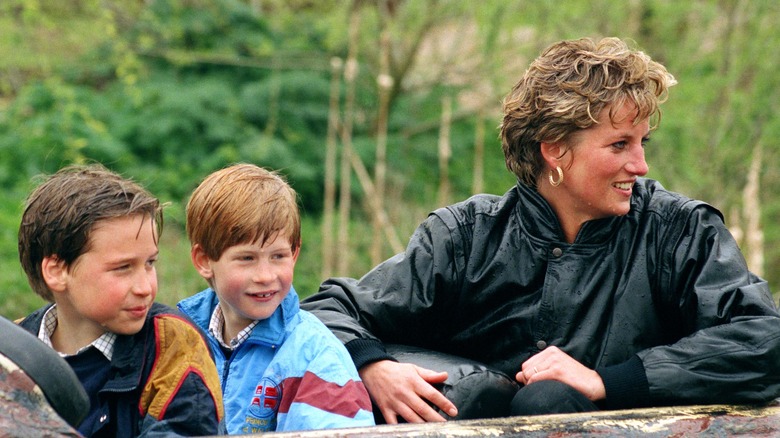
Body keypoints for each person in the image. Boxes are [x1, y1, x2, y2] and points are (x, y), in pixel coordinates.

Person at [301, 37, 780, 423]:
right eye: (619, 144)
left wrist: (609, 382)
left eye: (641, 142)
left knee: (546, 401)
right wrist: (372, 365)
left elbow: (763, 338)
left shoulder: (679, 231)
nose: (640, 164)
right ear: (555, 151)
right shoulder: (466, 236)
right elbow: (327, 309)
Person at [16, 164, 224, 437]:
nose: (145, 287)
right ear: (57, 271)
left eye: (150, 263)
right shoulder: (11, 351)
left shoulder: (173, 345)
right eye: (123, 267)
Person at [177, 163, 375, 434]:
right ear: (204, 261)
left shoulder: (315, 356)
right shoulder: (177, 341)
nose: (265, 275)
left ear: (294, 253)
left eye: (278, 256)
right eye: (247, 259)